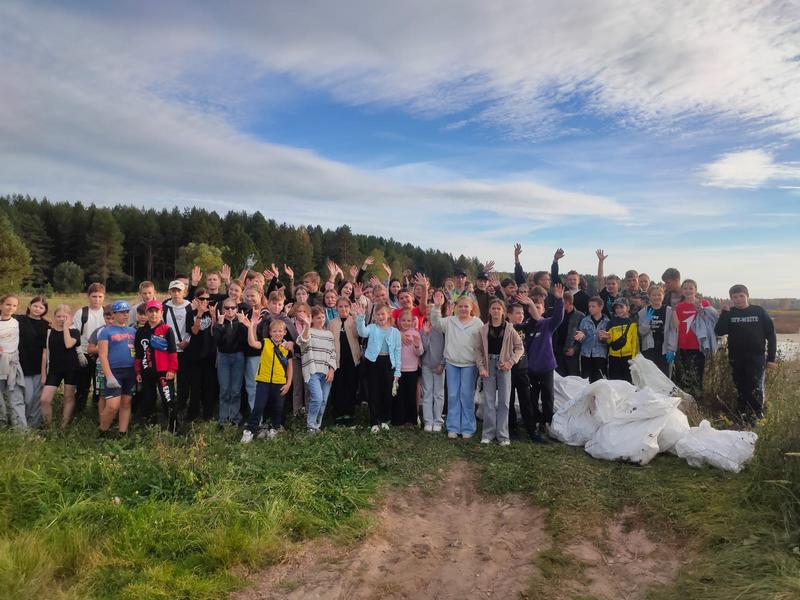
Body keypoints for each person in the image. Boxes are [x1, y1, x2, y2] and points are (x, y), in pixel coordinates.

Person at [714, 284, 777, 425]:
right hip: (736, 358)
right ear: (731, 299)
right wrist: (724, 313)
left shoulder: (758, 311)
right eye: (734, 297)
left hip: (757, 357)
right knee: (740, 386)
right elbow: (719, 331)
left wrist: (771, 358)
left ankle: (757, 417)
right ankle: (742, 415)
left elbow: (771, 335)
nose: (738, 299)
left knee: (755, 387)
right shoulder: (730, 313)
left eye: (741, 296)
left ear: (747, 296)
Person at [430, 295, 482, 439]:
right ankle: (453, 427)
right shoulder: (450, 321)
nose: (463, 309)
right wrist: (437, 307)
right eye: (461, 306)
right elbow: (436, 323)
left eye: (466, 306)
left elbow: (482, 343)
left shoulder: (477, 323)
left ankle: (467, 427)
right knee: (453, 395)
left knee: (466, 396)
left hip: (469, 364)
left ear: (472, 308)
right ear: (456, 308)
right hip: (452, 363)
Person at [517, 284, 564, 435]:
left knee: (548, 396)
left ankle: (547, 421)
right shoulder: (525, 326)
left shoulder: (547, 324)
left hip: (546, 367)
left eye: (538, 306)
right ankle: (534, 421)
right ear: (528, 310)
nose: (535, 309)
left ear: (543, 309)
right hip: (530, 369)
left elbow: (559, 317)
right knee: (532, 397)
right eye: (532, 306)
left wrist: (560, 300)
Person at [476, 299, 523, 446]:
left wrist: (511, 362)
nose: (496, 311)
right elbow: (478, 350)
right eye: (493, 308)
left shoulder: (509, 329)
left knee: (504, 401)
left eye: (498, 309)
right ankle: (488, 433)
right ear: (489, 311)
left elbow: (519, 348)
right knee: (489, 400)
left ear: (503, 311)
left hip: (504, 366)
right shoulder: (483, 329)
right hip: (489, 365)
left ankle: (503, 435)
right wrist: (481, 367)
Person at [241, 314, 293, 442]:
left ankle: (274, 429)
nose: (277, 334)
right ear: (270, 332)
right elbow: (252, 343)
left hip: (280, 382)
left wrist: (288, 383)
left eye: (280, 331)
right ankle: (249, 431)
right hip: (263, 381)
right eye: (274, 331)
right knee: (258, 407)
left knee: (278, 408)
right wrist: (250, 327)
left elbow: (290, 367)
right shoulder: (265, 343)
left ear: (285, 332)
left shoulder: (286, 348)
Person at [354, 302, 401, 433]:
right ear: (374, 316)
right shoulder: (372, 327)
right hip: (373, 362)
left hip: (388, 363)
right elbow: (362, 332)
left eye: (383, 314)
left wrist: (397, 371)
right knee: (374, 391)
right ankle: (374, 421)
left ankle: (385, 419)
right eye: (378, 314)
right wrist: (360, 317)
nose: (381, 316)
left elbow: (398, 352)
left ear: (388, 315)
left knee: (387, 392)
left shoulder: (395, 332)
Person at [134, 300, 179, 432]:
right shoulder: (141, 332)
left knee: (168, 400)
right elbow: (138, 353)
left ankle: (174, 428)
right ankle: (151, 426)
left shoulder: (166, 330)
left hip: (163, 372)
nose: (153, 314)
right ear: (146, 313)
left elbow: (172, 351)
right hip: (146, 372)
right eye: (150, 311)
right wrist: (137, 372)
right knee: (148, 400)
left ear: (161, 313)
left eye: (156, 311)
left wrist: (172, 369)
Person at [507, 303, 547, 443]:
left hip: (523, 370)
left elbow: (537, 319)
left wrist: (530, 303)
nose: (521, 316)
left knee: (526, 401)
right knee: (509, 401)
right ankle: (511, 429)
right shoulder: (504, 328)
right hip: (507, 371)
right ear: (509, 315)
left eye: (522, 314)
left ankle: (532, 431)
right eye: (517, 313)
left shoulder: (524, 327)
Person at [672, 279, 717, 398]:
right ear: (682, 291)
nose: (688, 291)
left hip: (699, 345)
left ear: (696, 290)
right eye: (685, 288)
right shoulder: (679, 307)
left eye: (691, 288)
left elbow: (714, 320)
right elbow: (676, 326)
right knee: (685, 375)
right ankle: (688, 400)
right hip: (683, 345)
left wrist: (702, 310)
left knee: (698, 374)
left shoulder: (704, 303)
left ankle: (698, 400)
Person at [97, 301, 137, 436]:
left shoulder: (132, 331)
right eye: (122, 312)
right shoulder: (106, 331)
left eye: (127, 312)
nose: (125, 315)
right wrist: (109, 376)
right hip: (114, 371)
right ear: (113, 314)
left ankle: (122, 432)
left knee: (126, 402)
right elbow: (102, 355)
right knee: (113, 406)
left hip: (130, 371)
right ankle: (103, 430)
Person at [297, 306, 337, 433]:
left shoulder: (329, 334)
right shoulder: (308, 331)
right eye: (318, 317)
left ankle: (317, 425)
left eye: (323, 317)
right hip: (312, 370)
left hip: (326, 372)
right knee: (317, 398)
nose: (321, 319)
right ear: (312, 319)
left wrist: (332, 369)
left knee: (324, 400)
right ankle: (311, 425)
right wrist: (307, 326)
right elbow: (302, 342)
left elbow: (333, 353)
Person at [40, 305, 80, 429]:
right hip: (54, 369)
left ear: (70, 317)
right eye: (59, 316)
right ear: (54, 317)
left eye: (65, 316)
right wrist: (43, 374)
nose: (61, 319)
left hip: (71, 368)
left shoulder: (74, 332)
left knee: (68, 397)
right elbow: (45, 354)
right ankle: (49, 427)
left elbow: (68, 344)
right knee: (45, 400)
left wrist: (66, 327)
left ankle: (63, 426)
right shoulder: (48, 332)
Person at [14, 296, 50, 428]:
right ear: (29, 306)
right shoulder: (18, 319)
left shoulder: (46, 325)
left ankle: (33, 425)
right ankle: (22, 424)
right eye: (35, 306)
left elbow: (45, 350)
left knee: (37, 399)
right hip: (22, 364)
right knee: (27, 397)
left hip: (39, 365)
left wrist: (43, 372)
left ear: (44, 310)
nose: (37, 309)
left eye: (41, 307)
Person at [212, 298, 247, 427]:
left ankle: (234, 418)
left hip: (238, 356)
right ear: (222, 310)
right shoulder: (219, 324)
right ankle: (223, 419)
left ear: (237, 309)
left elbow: (244, 341)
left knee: (236, 390)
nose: (230, 310)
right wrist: (220, 325)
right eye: (227, 308)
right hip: (223, 357)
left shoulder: (241, 322)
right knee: (225, 389)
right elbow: (217, 342)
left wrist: (243, 324)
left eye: (233, 308)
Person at [73, 283, 107, 414]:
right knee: (83, 386)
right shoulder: (81, 313)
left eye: (100, 296)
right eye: (94, 296)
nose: (97, 299)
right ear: (88, 296)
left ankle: (96, 412)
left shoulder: (107, 312)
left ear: (104, 297)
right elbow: (75, 335)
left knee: (100, 386)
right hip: (84, 354)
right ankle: (79, 413)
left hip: (102, 355)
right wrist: (79, 354)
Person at [187, 288, 218, 421]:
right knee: (195, 386)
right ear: (196, 299)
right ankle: (192, 415)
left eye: (207, 299)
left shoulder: (212, 312)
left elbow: (214, 332)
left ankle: (208, 414)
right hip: (195, 355)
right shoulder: (190, 313)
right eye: (202, 299)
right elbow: (194, 331)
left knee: (209, 386)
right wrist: (199, 314)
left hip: (210, 354)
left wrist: (214, 316)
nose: (205, 301)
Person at [328, 297, 361, 424]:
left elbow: (360, 335)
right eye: (340, 306)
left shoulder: (354, 321)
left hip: (352, 359)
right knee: (338, 386)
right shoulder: (332, 323)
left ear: (350, 307)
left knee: (351, 386)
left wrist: (357, 317)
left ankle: (349, 413)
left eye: (346, 306)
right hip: (337, 360)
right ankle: (338, 413)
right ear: (336, 308)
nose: (343, 309)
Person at [163, 280, 192, 423]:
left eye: (179, 291)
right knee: (167, 379)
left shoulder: (189, 307)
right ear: (170, 292)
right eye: (173, 291)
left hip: (185, 348)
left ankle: (181, 407)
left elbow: (192, 327)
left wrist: (188, 341)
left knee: (183, 381)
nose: (176, 293)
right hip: (169, 350)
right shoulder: (165, 307)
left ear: (184, 292)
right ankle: (168, 407)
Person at [420, 294, 446, 432]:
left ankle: (438, 421)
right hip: (426, 366)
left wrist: (442, 364)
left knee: (439, 394)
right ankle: (428, 421)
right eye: (428, 314)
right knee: (427, 392)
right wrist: (424, 334)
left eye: (432, 314)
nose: (430, 317)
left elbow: (446, 348)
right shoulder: (423, 328)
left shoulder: (442, 329)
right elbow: (422, 349)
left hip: (439, 366)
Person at [0, 294, 25, 428]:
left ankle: (20, 428)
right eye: (8, 304)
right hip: (0, 362)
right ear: (1, 305)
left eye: (14, 305)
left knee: (15, 395)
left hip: (13, 363)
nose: (11, 307)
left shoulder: (16, 321)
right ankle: (2, 424)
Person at [395, 309, 424, 426]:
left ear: (413, 322)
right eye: (403, 320)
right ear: (398, 321)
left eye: (408, 321)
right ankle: (399, 418)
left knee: (411, 394)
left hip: (412, 369)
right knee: (399, 394)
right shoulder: (395, 333)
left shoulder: (416, 334)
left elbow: (420, 352)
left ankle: (411, 418)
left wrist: (417, 346)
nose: (406, 323)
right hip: (399, 369)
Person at [602, 297, 639, 382]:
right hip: (613, 358)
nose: (619, 310)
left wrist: (634, 359)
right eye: (616, 308)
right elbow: (609, 341)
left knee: (628, 383)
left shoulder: (632, 322)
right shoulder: (611, 323)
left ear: (628, 308)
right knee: (615, 383)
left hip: (628, 358)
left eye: (621, 307)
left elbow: (634, 343)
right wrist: (606, 338)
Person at [638, 286, 672, 375]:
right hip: (649, 348)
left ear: (663, 296)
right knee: (651, 376)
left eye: (659, 295)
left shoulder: (669, 311)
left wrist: (672, 349)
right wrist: (647, 321)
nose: (656, 297)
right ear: (649, 296)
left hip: (664, 348)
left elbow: (673, 331)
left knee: (664, 375)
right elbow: (641, 332)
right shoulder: (643, 312)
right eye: (653, 295)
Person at [575, 297, 610, 382]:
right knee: (586, 380)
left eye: (593, 306)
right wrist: (581, 336)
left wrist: (604, 339)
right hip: (586, 355)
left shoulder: (607, 322)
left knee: (599, 380)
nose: (590, 308)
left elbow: (608, 341)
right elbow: (580, 337)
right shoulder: (584, 320)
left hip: (600, 355)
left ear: (601, 307)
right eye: (589, 306)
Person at [554, 291, 584, 377]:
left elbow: (583, 336)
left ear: (568, 302)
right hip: (558, 352)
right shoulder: (557, 314)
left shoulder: (580, 316)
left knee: (573, 379)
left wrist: (574, 349)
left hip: (571, 352)